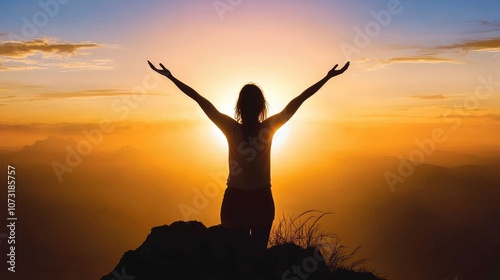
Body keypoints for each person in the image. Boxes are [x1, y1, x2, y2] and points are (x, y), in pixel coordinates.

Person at [148, 60, 350, 250]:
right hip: (262, 201)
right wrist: (327, 77)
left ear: (239, 107)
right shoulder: (269, 128)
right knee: (257, 260)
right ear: (262, 108)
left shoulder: (230, 128)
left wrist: (171, 77)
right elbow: (299, 100)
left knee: (235, 261)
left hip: (234, 202)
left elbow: (199, 99)